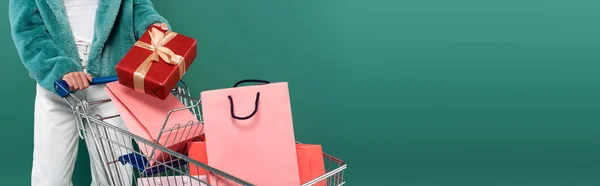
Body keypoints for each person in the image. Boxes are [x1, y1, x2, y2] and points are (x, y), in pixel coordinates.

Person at [8, 0, 170, 185]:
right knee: (50, 179)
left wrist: (151, 24)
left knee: (116, 177)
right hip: (59, 79)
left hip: (109, 74)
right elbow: (27, 28)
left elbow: (138, 6)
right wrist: (59, 69)